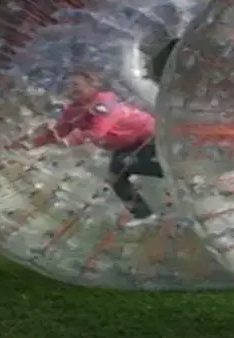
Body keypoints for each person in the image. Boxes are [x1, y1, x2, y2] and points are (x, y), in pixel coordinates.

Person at [26, 71, 163, 225]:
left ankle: (174, 174)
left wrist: (68, 142)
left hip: (149, 135)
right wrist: (37, 140)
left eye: (76, 84)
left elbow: (97, 132)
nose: (71, 89)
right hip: (127, 144)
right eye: (67, 87)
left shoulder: (104, 102)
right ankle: (143, 214)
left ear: (93, 84)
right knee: (115, 177)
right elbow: (59, 131)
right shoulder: (73, 111)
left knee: (125, 165)